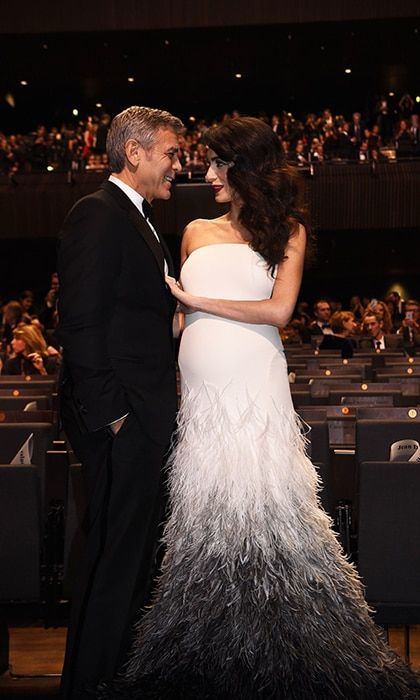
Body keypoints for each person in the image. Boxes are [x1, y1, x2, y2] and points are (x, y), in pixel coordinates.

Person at [103, 117, 420, 699]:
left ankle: (293, 655)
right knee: (207, 518)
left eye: (220, 164)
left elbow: (279, 312)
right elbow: (174, 319)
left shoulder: (289, 231)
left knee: (266, 511)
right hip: (198, 394)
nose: (207, 174)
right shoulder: (195, 229)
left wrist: (195, 300)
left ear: (245, 167)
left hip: (255, 383)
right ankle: (207, 651)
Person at [57, 105, 183, 699]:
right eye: (170, 154)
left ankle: (116, 677)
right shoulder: (99, 213)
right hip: (121, 418)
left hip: (143, 414)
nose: (177, 166)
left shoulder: (145, 219)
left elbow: (137, 319)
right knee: (112, 557)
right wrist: (113, 415)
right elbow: (79, 322)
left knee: (131, 555)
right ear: (134, 152)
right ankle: (90, 684)